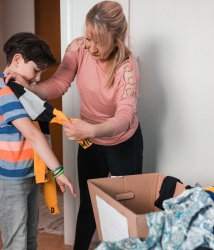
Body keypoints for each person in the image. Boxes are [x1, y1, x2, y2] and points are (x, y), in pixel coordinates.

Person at [7, 1, 144, 249]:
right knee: (88, 204)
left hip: (123, 141)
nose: (87, 44)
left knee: (127, 207)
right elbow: (59, 83)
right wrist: (28, 88)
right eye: (87, 36)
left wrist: (92, 129)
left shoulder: (127, 67)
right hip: (90, 141)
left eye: (95, 40)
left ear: (114, 39)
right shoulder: (79, 47)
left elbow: (125, 116)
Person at [0, 32, 76, 250]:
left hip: (30, 174)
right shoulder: (4, 91)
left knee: (31, 237)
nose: (38, 78)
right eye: (36, 69)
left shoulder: (20, 92)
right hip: (11, 180)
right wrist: (59, 172)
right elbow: (33, 135)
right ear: (17, 60)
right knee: (16, 241)